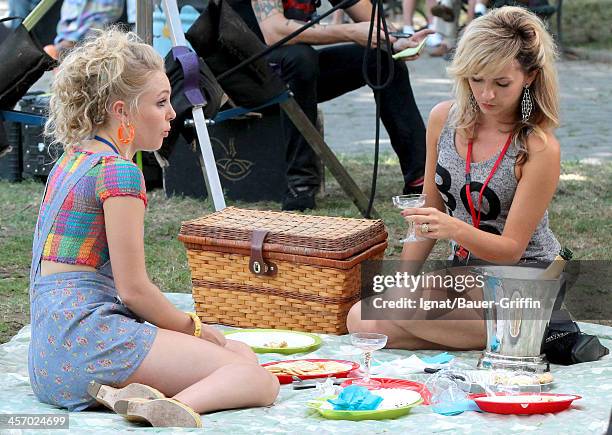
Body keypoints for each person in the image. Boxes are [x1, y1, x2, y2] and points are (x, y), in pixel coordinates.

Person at [29, 29, 279, 427]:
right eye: (160, 102)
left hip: (48, 359)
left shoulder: (72, 159)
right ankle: (165, 406)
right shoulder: (119, 174)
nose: (172, 114)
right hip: (89, 342)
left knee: (238, 355)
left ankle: (139, 395)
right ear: (122, 111)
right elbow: (134, 290)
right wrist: (196, 330)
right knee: (253, 375)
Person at [347, 6, 562, 350]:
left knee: (396, 315)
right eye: (476, 79)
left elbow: (511, 250)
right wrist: (404, 279)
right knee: (360, 317)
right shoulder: (443, 119)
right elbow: (429, 211)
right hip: (466, 277)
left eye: (501, 83)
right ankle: (502, 339)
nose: (486, 94)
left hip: (522, 280)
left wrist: (453, 228)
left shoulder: (538, 147)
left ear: (530, 76)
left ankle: (524, 328)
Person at [251, 0, 432, 211]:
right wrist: (351, 31)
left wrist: (396, 42)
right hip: (246, 77)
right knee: (300, 58)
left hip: (297, 72)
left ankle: (420, 177)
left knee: (384, 59)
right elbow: (274, 32)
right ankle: (300, 185)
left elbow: (369, 18)